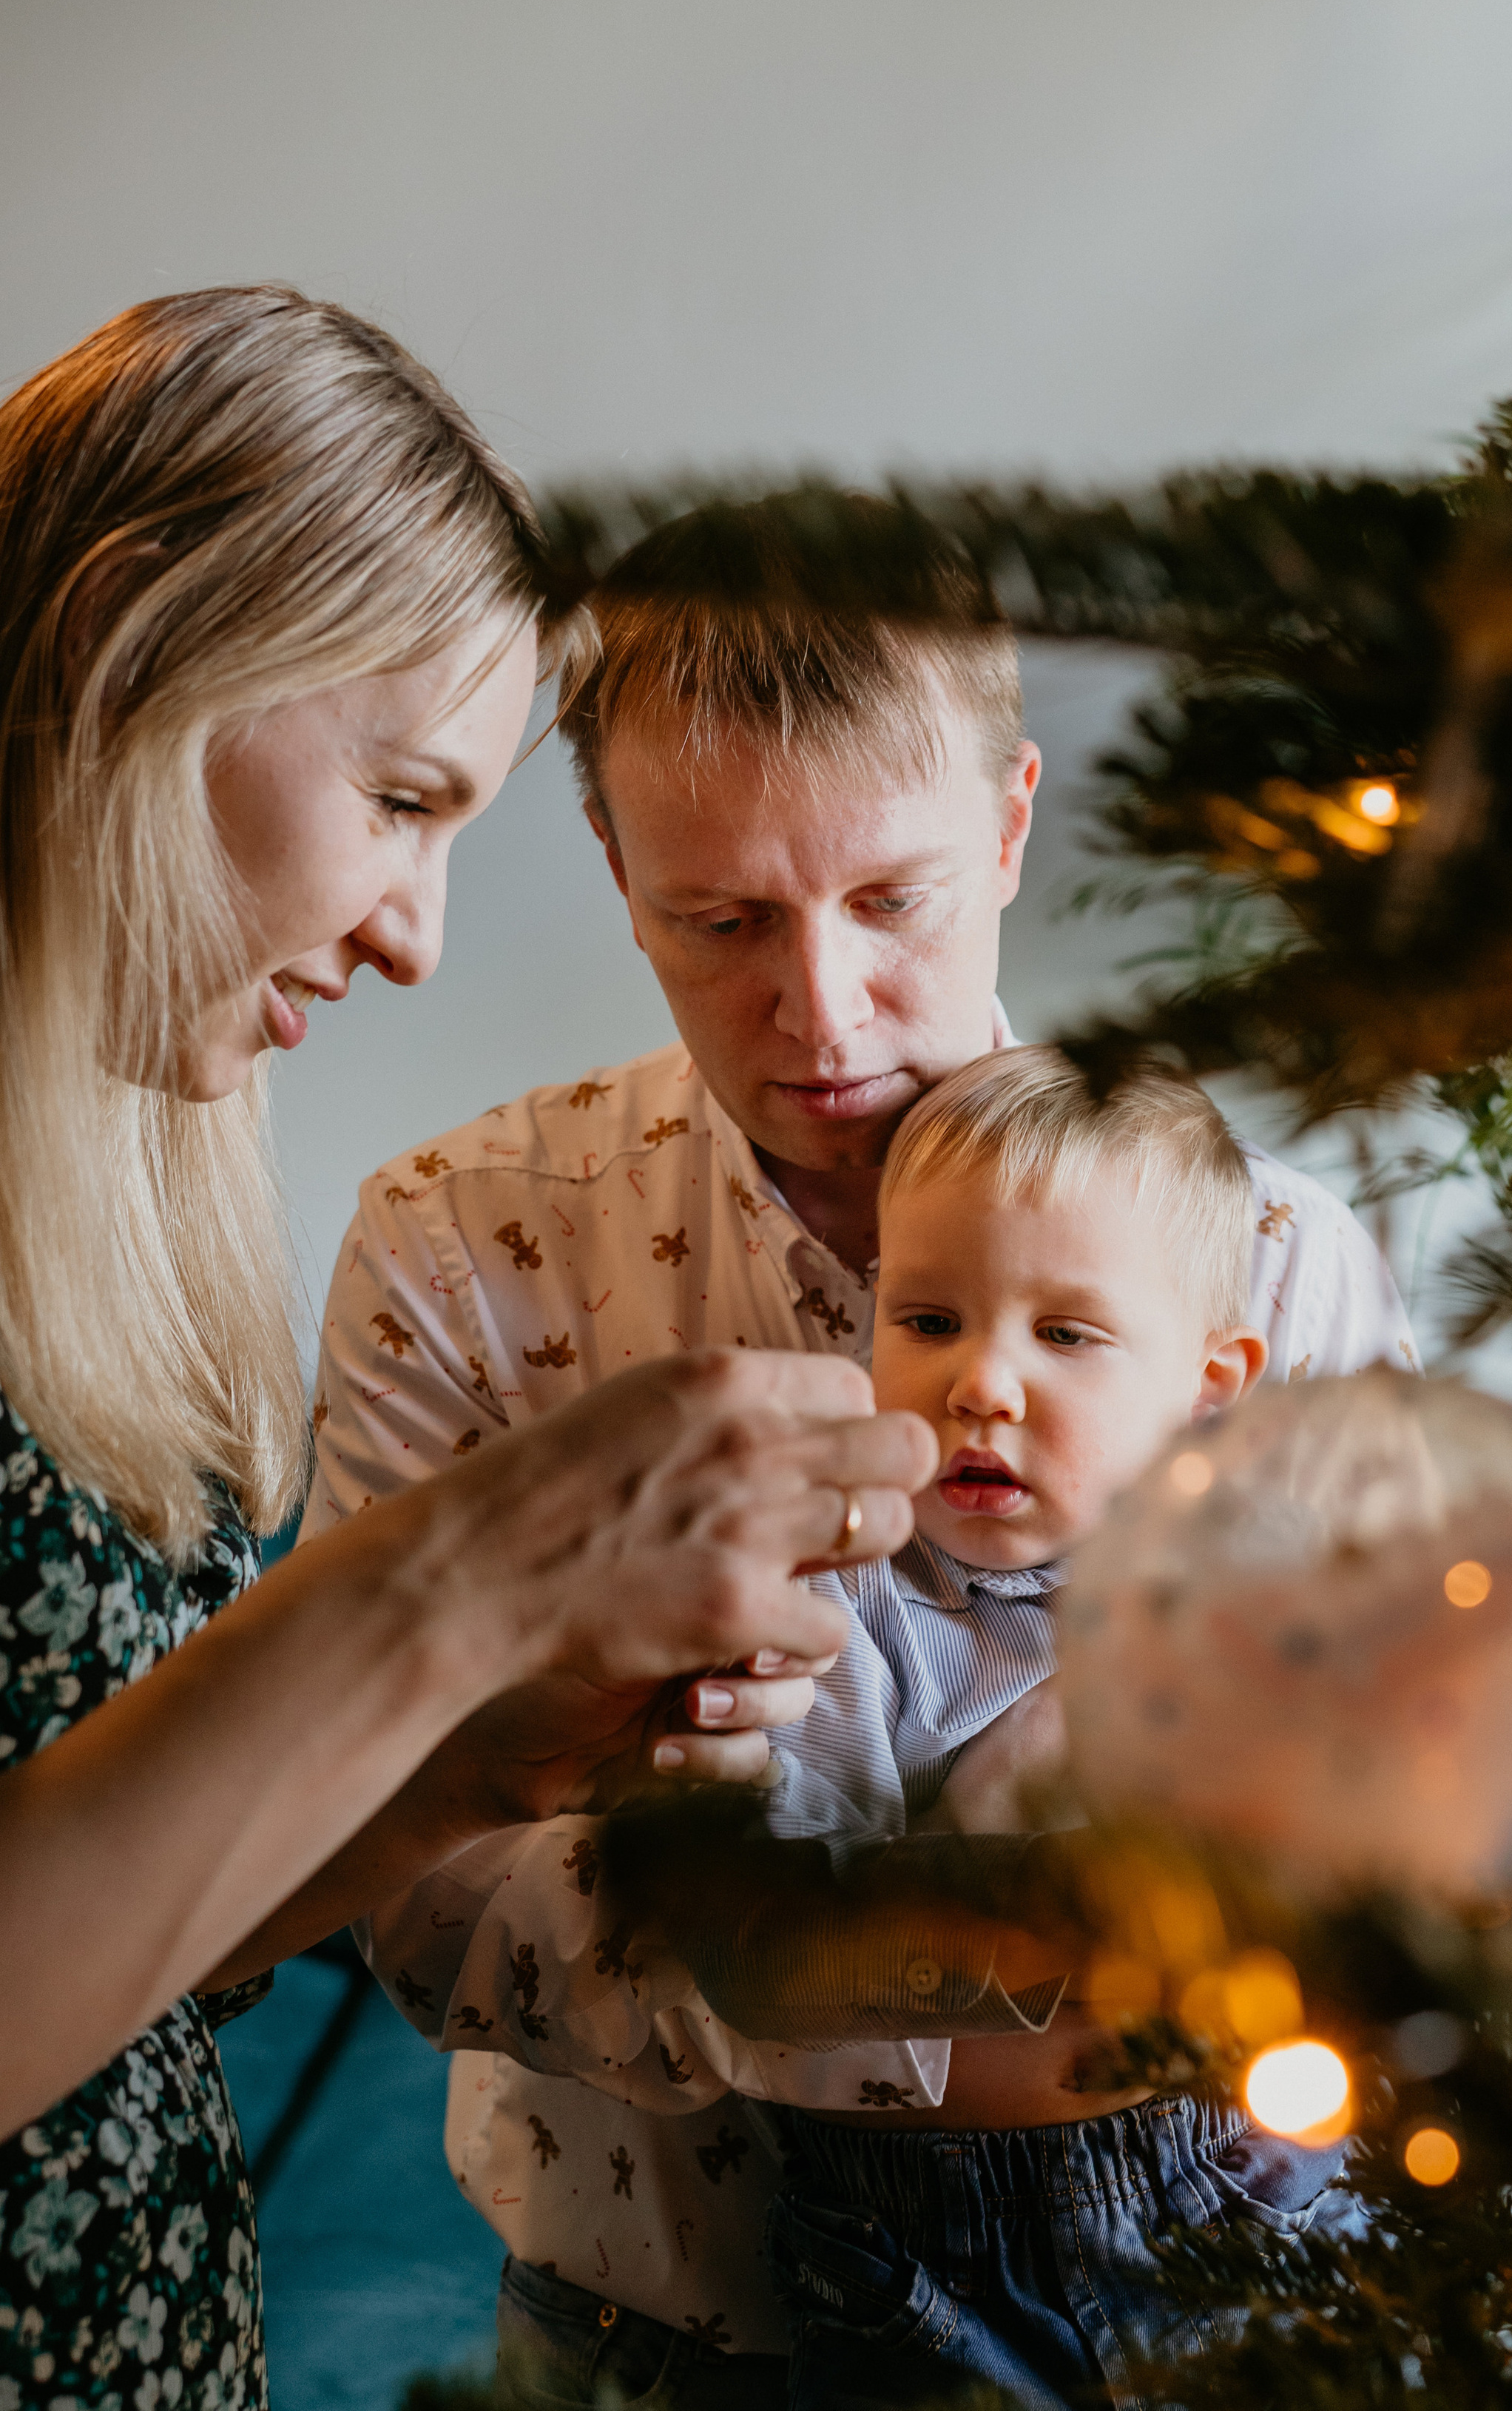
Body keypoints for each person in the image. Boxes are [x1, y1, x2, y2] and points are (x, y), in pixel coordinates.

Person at [308, 509, 1418, 2404]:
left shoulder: (1283, 1270)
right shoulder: (454, 1251)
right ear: (613, 867)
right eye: (719, 919)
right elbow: (411, 1901)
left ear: (1005, 825)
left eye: (892, 901)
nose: (817, 1019)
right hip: (642, 2336)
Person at [0, 291, 930, 2411]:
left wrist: (478, 1767)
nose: (417, 932)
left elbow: (152, 1960)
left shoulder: (103, 1204)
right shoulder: (463, 1232)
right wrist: (452, 1577)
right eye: (404, 798)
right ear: (138, 645)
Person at [744, 1045, 1351, 2411]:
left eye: (1066, 1335)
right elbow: (785, 1944)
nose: (981, 1386)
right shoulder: (846, 1594)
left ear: (1212, 1386)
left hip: (1245, 2175)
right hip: (928, 2256)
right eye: (929, 1321)